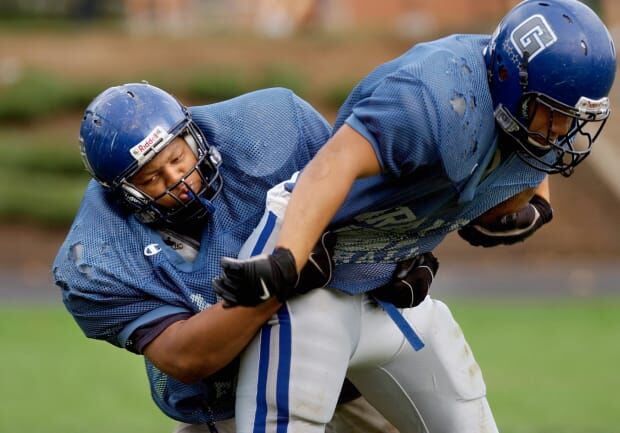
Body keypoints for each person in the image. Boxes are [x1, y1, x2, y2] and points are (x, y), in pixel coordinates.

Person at [214, 1, 616, 432]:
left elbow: (534, 169)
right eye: (554, 114)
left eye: (576, 118)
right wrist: (286, 258)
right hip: (315, 265)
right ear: (507, 79)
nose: (562, 132)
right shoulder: (435, 98)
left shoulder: (532, 120)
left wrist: (527, 207)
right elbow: (333, 163)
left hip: (387, 281)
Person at [53, 82, 406, 433]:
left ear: (193, 137)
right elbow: (187, 358)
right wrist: (281, 280)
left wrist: (397, 255)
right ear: (124, 193)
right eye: (151, 178)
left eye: (177, 158)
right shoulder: (98, 257)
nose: (178, 179)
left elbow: (358, 196)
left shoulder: (269, 128)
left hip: (348, 365)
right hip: (228, 395)